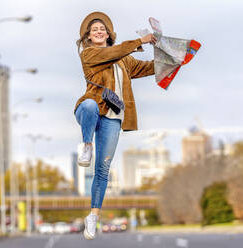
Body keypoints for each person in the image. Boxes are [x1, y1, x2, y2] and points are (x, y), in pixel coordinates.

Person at [74, 11, 156, 240]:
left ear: (109, 33)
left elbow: (146, 67)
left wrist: (171, 61)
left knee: (102, 169)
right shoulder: (89, 54)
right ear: (88, 37)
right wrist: (140, 41)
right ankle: (86, 144)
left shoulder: (124, 59)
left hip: (112, 117)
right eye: (94, 30)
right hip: (91, 110)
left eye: (102, 29)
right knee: (90, 105)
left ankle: (92, 216)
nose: (99, 32)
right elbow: (113, 52)